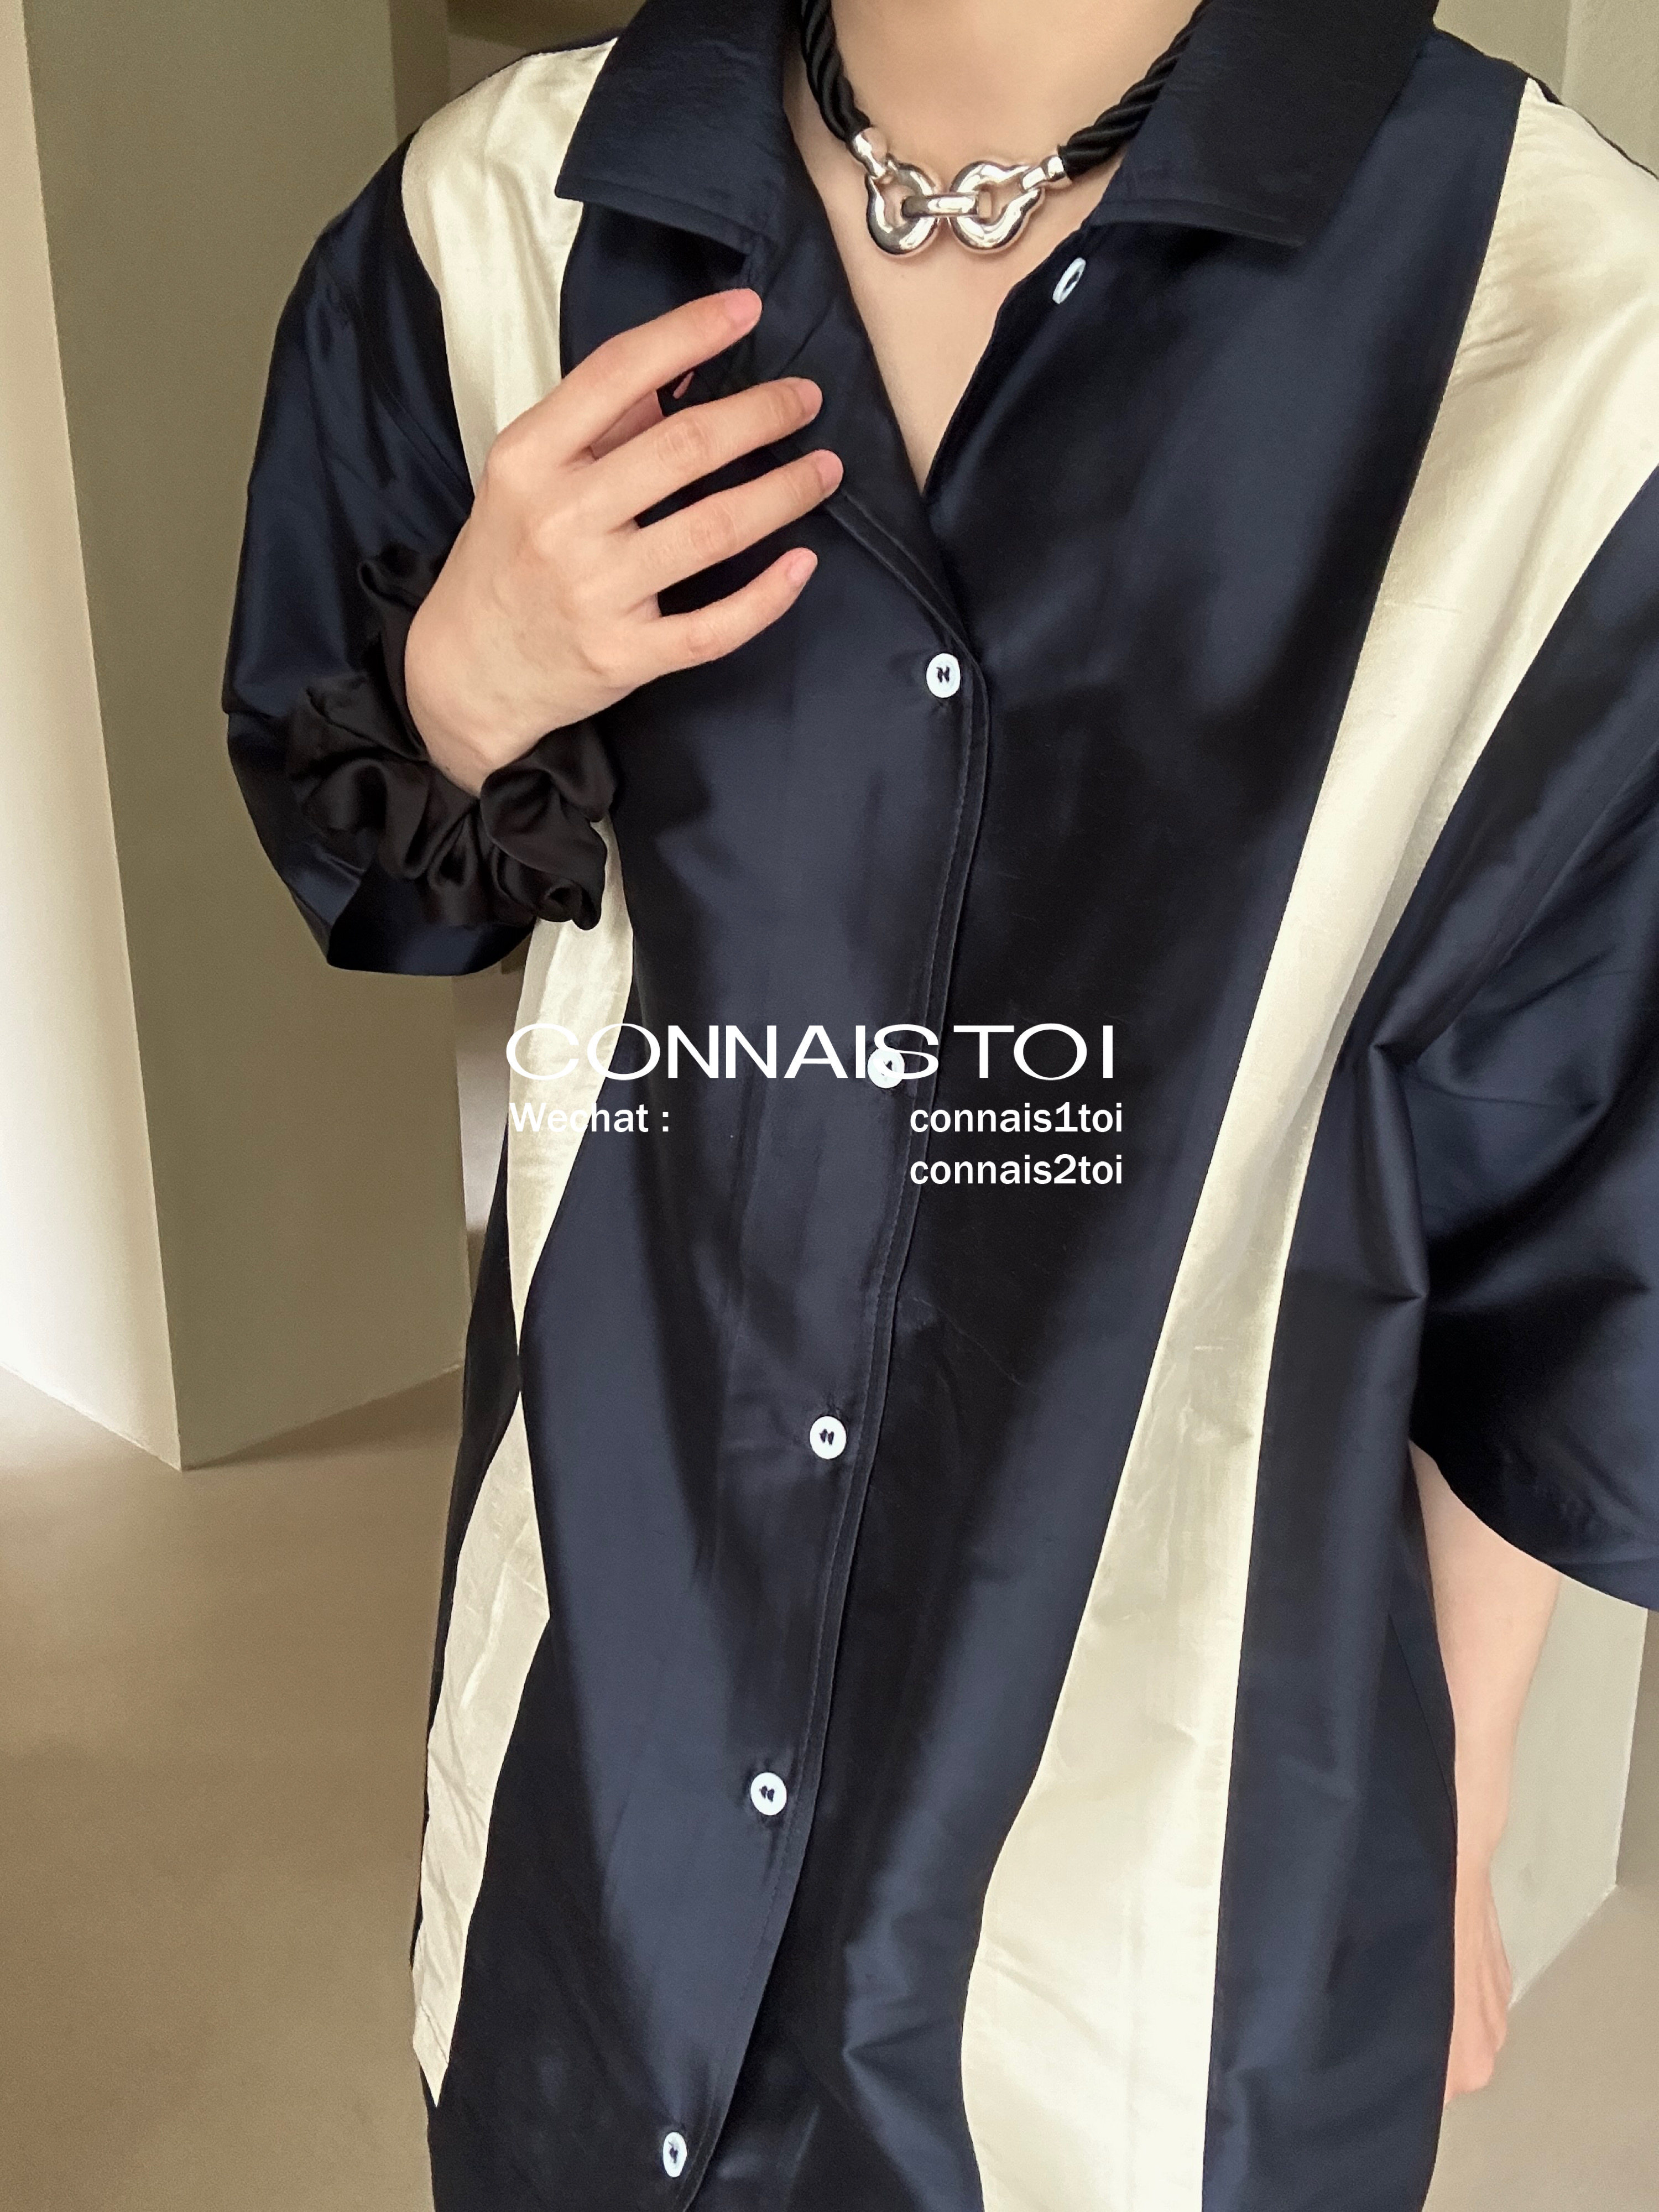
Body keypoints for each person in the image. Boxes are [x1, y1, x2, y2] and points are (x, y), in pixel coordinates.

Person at [223, 0, 1659, 2205]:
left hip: (1162, 1868)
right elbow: (385, 872)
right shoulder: (490, 227)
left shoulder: (1564, 328)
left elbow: (1579, 1218)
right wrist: (470, 679)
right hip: (600, 1743)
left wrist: (1447, 1804)